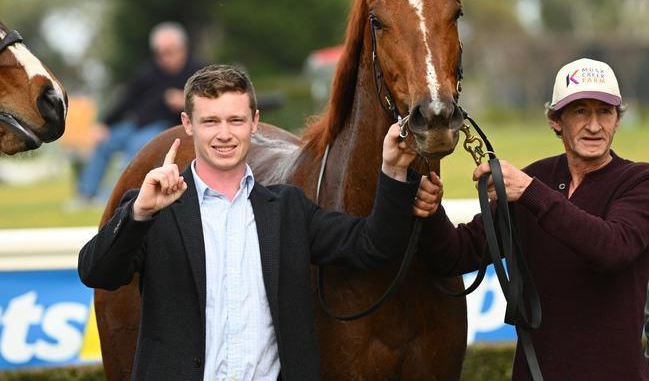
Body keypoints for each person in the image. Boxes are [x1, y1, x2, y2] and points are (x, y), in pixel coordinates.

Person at [78, 64, 431, 381]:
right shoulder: (152, 209)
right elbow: (98, 272)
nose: (224, 134)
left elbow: (375, 245)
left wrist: (393, 172)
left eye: (235, 120)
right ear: (187, 125)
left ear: (255, 122)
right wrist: (139, 213)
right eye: (210, 121)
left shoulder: (288, 210)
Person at [416, 57, 649, 380]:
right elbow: (456, 255)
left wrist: (531, 192)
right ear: (556, 120)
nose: (594, 126)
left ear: (617, 120)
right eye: (581, 111)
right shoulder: (535, 179)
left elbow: (612, 249)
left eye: (605, 112)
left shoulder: (638, 181)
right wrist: (431, 213)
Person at [73, 21, 202, 205]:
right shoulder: (148, 72)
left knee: (137, 146)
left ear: (183, 48)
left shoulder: (198, 71)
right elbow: (126, 100)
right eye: (160, 53)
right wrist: (104, 124)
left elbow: (211, 102)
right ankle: (85, 195)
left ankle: (112, 198)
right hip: (137, 124)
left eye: (170, 51)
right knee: (104, 142)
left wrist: (186, 101)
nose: (165, 57)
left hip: (168, 128)